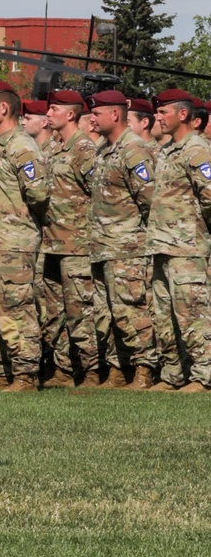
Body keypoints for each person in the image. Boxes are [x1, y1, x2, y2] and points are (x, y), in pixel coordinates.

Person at [0, 82, 50, 389]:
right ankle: (0, 369)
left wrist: (20, 222)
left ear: (4, 108)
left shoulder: (21, 145)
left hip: (13, 242)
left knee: (16, 308)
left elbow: (39, 193)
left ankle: (26, 373)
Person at [89, 89, 159, 390]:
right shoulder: (105, 149)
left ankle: (144, 368)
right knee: (108, 313)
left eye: (96, 114)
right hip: (103, 245)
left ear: (114, 115)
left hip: (127, 248)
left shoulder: (134, 150)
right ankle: (120, 368)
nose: (91, 119)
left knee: (131, 310)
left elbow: (150, 200)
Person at [145, 89, 211, 392]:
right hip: (161, 245)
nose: (157, 118)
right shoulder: (168, 150)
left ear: (182, 115)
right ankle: (174, 373)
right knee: (165, 315)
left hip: (187, 247)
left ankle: (204, 375)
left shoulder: (197, 150)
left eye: (163, 112)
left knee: (192, 313)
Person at [39, 90, 98, 388]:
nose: (48, 114)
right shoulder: (53, 148)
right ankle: (62, 370)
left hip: (76, 244)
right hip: (51, 243)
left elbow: (98, 192)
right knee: (55, 312)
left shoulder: (83, 149)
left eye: (53, 109)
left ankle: (91, 371)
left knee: (80, 311)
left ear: (70, 114)